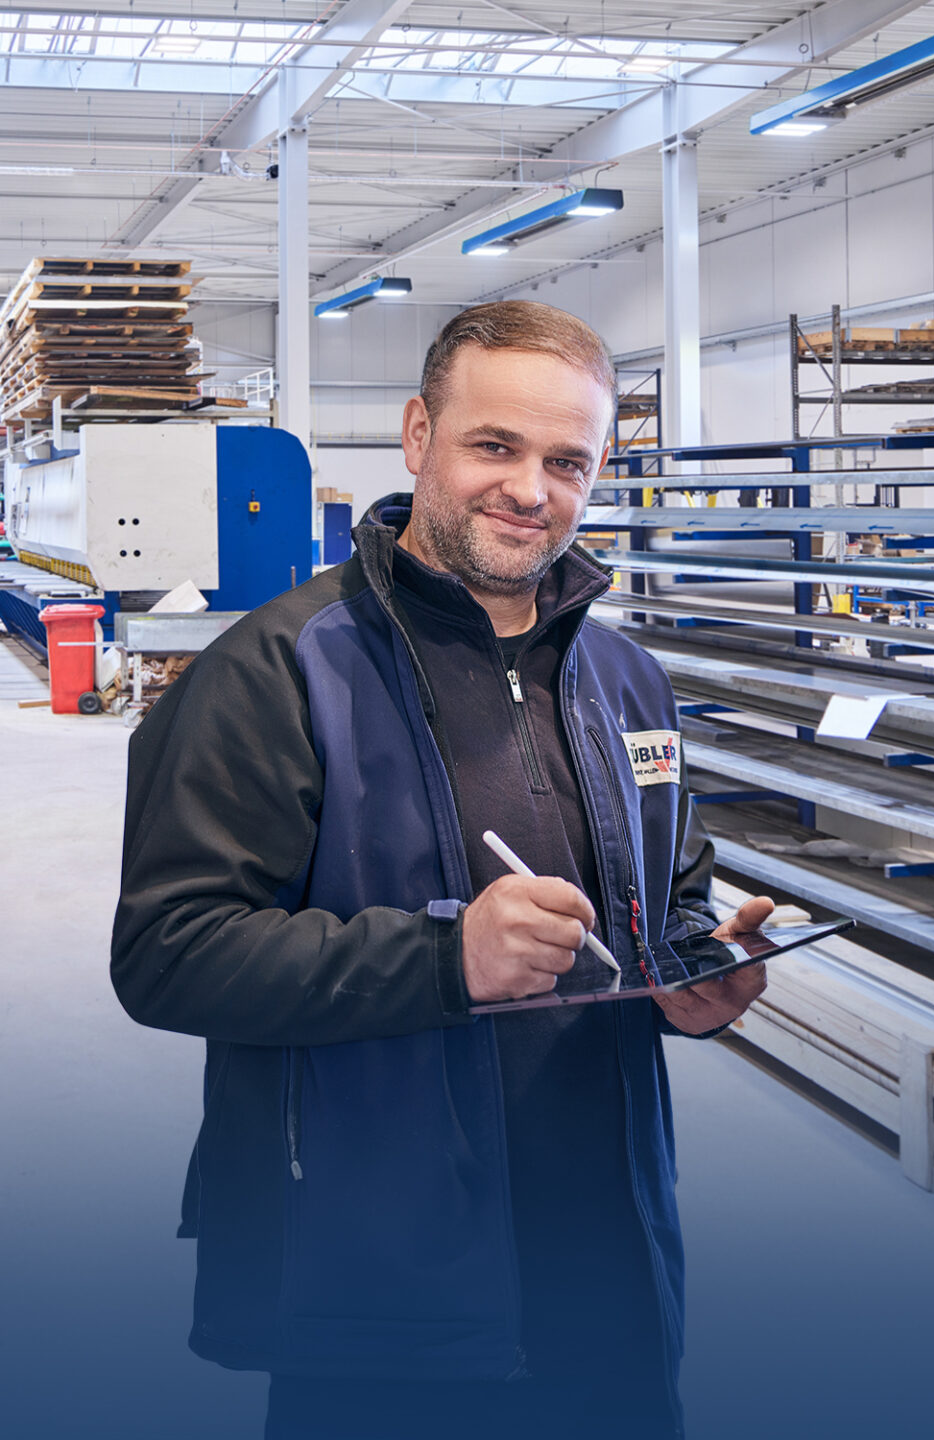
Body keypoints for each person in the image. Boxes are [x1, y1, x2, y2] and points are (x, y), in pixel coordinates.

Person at [111, 301, 772, 1439]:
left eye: (569, 460)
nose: (531, 489)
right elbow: (168, 954)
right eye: (495, 446)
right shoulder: (272, 672)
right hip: (379, 1277)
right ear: (419, 436)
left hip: (607, 1262)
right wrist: (444, 959)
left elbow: (674, 889)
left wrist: (696, 973)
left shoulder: (624, 681)